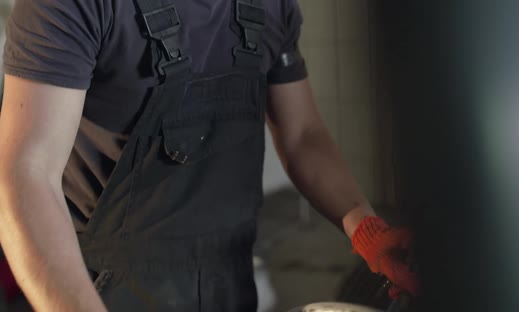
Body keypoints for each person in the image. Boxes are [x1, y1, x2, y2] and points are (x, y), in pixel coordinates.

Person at [0, 0, 419, 310]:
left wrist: (366, 229)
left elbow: (302, 134)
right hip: (94, 291)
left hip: (227, 287)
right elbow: (24, 176)